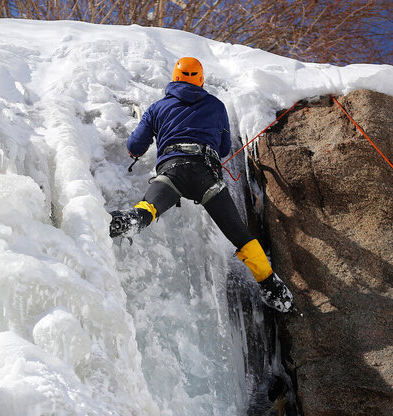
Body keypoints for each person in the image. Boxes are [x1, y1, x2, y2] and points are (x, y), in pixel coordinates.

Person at [109, 57, 293, 313]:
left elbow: (135, 147)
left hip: (173, 170)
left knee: (149, 207)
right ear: (200, 79)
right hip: (207, 176)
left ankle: (132, 221)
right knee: (239, 233)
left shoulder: (157, 108)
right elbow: (224, 147)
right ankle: (271, 286)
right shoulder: (216, 106)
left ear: (174, 78)